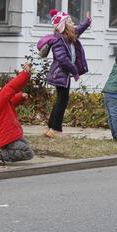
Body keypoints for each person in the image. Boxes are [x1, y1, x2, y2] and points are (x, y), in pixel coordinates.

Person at [37, 9, 92, 138]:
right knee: (62, 100)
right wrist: (74, 71)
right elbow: (63, 60)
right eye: (70, 22)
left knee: (61, 100)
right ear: (64, 25)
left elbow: (79, 30)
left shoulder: (68, 37)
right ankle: (55, 129)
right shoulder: (58, 41)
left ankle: (51, 128)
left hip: (63, 75)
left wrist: (87, 22)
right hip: (60, 74)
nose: (73, 24)